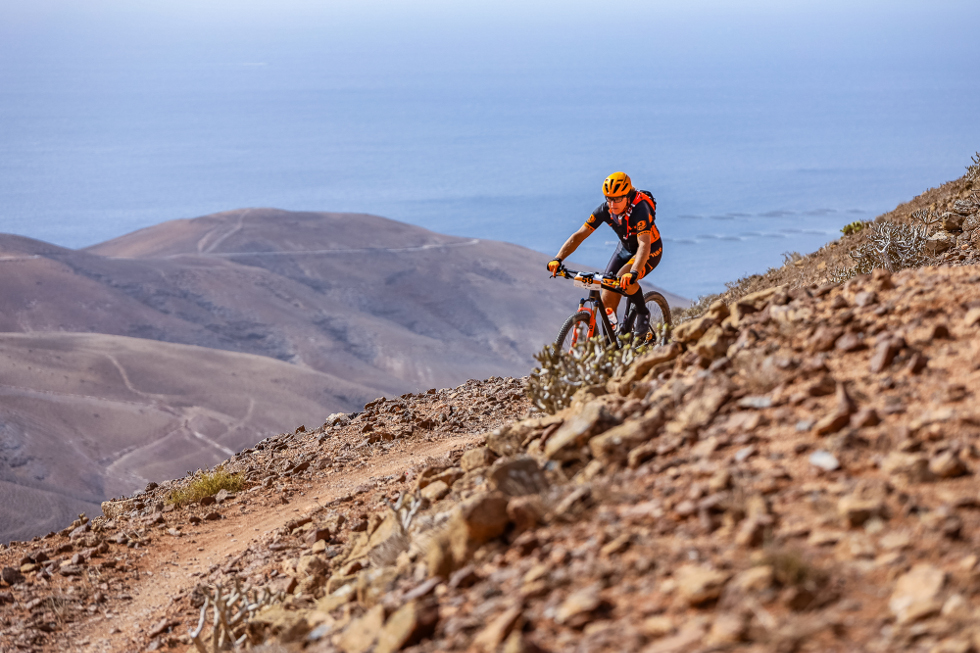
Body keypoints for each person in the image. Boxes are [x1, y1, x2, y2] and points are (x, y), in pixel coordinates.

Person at [547, 172, 663, 336]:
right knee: (606, 295)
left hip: (649, 249)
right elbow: (579, 236)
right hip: (625, 249)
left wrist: (634, 272)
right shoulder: (605, 210)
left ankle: (643, 312)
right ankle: (613, 339)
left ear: (627, 196)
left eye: (617, 199)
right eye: (609, 199)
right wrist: (558, 259)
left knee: (624, 279)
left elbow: (644, 244)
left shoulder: (640, 209)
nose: (612, 204)